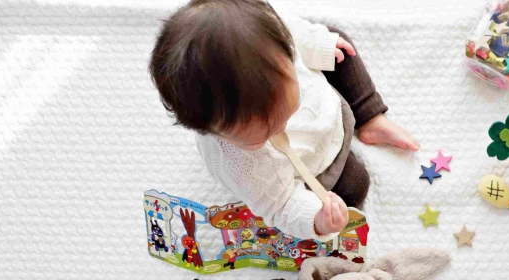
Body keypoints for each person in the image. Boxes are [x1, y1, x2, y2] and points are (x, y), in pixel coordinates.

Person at [149, 0, 419, 239]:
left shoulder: (271, 36)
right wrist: (318, 220)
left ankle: (370, 118)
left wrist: (317, 45)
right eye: (265, 133)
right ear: (214, 132)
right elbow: (281, 205)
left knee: (338, 46)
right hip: (312, 164)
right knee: (355, 186)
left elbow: (297, 33)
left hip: (328, 106)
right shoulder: (242, 167)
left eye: (286, 112)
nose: (283, 128)